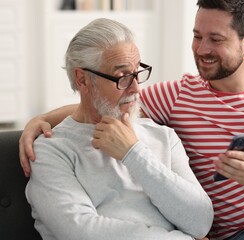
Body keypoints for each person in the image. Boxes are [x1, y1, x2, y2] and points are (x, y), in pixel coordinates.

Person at [20, 0, 244, 240]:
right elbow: (98, 103)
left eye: (216, 39)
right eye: (197, 36)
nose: (201, 49)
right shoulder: (178, 95)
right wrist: (39, 120)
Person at [24, 18, 213, 240]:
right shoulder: (51, 151)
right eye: (123, 76)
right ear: (82, 80)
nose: (135, 88)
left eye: (137, 72)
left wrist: (133, 153)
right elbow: (80, 232)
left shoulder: (162, 136)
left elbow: (200, 222)